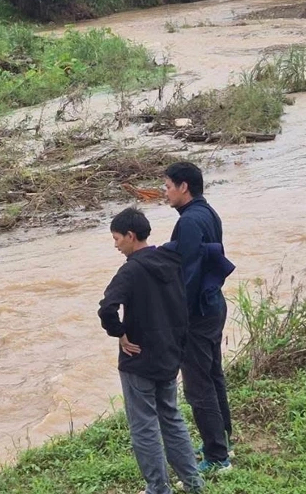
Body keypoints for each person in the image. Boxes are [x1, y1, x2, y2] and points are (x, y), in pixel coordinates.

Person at [98, 208, 205, 494]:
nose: (116, 245)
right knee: (171, 416)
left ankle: (158, 488)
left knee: (144, 426)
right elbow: (182, 307)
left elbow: (107, 308)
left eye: (117, 238)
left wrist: (119, 334)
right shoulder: (172, 260)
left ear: (131, 236)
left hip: (138, 358)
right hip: (169, 354)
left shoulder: (130, 269)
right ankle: (193, 483)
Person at [163, 162, 233, 474]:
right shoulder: (208, 213)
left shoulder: (190, 222)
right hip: (213, 305)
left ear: (183, 187)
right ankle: (222, 440)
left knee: (198, 385)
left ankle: (217, 457)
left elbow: (188, 276)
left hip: (197, 314)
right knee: (213, 375)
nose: (165, 193)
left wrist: (176, 317)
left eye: (167, 186)